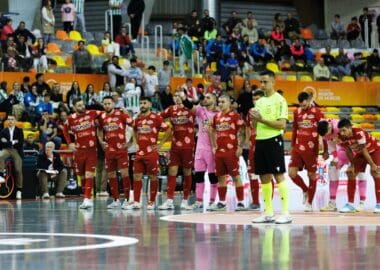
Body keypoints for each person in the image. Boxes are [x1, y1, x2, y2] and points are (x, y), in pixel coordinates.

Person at [250, 70, 291, 224]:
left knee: (278, 174)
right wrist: (254, 118)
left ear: (273, 82)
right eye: (261, 82)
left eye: (265, 82)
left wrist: (263, 120)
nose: (262, 85)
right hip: (260, 140)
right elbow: (254, 125)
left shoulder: (280, 100)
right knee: (264, 177)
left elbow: (281, 124)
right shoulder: (259, 101)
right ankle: (268, 213)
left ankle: (286, 213)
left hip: (274, 140)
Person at [124, 97, 170, 210]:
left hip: (151, 152)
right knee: (136, 176)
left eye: (144, 103)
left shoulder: (156, 117)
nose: (142, 105)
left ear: (149, 104)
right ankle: (136, 201)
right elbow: (134, 130)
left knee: (153, 176)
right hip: (139, 152)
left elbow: (168, 129)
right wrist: (135, 142)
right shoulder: (138, 118)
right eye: (140, 103)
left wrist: (160, 144)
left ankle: (151, 201)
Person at [318, 119, 368, 212]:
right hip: (341, 152)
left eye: (327, 134)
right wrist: (335, 157)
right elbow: (331, 145)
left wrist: (354, 159)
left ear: (330, 127)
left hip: (353, 151)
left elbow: (352, 140)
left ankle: (362, 203)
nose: (327, 136)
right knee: (332, 169)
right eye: (325, 136)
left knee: (360, 173)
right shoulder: (325, 131)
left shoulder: (339, 127)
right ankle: (332, 203)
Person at [288, 92, 325, 212]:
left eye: (305, 104)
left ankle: (309, 203)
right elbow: (294, 130)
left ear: (309, 100)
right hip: (298, 148)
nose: (303, 107)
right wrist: (292, 145)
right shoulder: (296, 112)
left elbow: (323, 131)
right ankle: (305, 190)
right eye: (301, 105)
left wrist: (325, 148)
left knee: (311, 175)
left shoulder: (317, 112)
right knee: (291, 173)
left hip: (312, 148)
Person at [159, 91, 195, 210]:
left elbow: (201, 115)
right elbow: (158, 117)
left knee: (187, 173)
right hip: (175, 146)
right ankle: (169, 200)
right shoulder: (171, 109)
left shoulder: (190, 109)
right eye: (175, 95)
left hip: (188, 146)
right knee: (172, 171)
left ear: (184, 97)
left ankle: (185, 200)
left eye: (179, 95)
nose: (177, 97)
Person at [182, 92, 219, 210]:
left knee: (213, 176)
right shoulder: (200, 110)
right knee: (198, 175)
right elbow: (189, 106)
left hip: (212, 148)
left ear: (214, 100)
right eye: (205, 97)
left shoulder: (219, 114)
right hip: (200, 149)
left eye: (208, 97)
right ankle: (199, 201)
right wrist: (183, 97)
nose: (206, 99)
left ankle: (213, 201)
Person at [63, 98, 102, 209]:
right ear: (75, 107)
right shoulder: (71, 118)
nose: (82, 107)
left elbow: (105, 114)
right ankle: (87, 198)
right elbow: (65, 130)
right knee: (82, 176)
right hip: (79, 151)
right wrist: (69, 143)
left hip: (91, 149)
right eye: (79, 105)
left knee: (89, 174)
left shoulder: (92, 113)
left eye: (83, 105)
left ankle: (87, 199)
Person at [210, 95, 246, 211]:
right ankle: (222, 202)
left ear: (229, 104)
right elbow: (212, 130)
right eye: (219, 102)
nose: (220, 104)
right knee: (221, 177)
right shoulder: (216, 117)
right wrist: (214, 146)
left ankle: (241, 202)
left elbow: (243, 130)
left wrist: (240, 146)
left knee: (236, 176)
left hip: (231, 151)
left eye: (223, 102)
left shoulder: (235, 116)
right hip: (219, 152)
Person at [337, 118, 380, 214]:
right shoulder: (340, 136)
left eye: (344, 130)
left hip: (374, 151)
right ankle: (350, 205)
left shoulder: (359, 132)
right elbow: (348, 150)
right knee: (350, 172)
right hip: (361, 153)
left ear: (350, 128)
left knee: (375, 172)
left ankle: (379, 204)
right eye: (340, 131)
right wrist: (352, 164)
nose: (342, 133)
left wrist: (372, 165)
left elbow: (364, 150)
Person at [98, 96, 133, 209]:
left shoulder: (121, 114)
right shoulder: (102, 116)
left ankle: (128, 200)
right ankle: (116, 200)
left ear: (113, 104)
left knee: (124, 174)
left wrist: (130, 142)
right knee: (111, 175)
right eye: (105, 104)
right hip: (109, 150)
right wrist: (101, 141)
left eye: (109, 103)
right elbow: (98, 129)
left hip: (121, 149)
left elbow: (135, 125)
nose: (107, 105)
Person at [246, 90, 265, 210]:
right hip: (253, 146)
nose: (255, 101)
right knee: (252, 174)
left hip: (265, 143)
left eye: (258, 99)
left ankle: (268, 202)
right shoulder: (250, 111)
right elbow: (248, 126)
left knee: (266, 174)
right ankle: (255, 202)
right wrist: (248, 140)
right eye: (254, 99)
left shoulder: (268, 110)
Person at [0, 115, 24, 199]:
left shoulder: (19, 130)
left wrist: (8, 142)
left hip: (16, 151)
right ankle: (1, 175)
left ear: (15, 121)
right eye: (9, 119)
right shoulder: (3, 131)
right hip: (6, 149)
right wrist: (13, 141)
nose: (10, 121)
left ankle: (19, 190)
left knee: (18, 170)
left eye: (12, 119)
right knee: (0, 155)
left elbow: (20, 143)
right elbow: (1, 143)